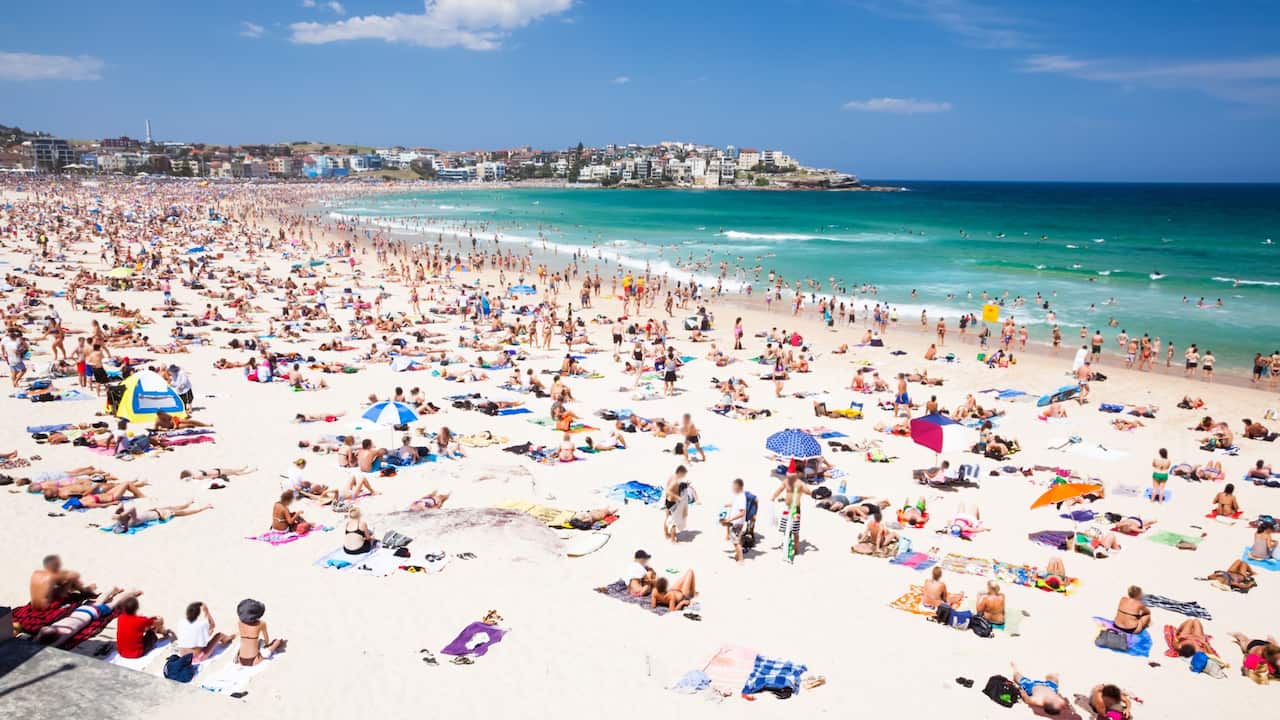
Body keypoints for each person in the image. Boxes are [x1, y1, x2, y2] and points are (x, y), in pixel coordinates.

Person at [33, 587, 141, 647]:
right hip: (80, 611)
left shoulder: (64, 634)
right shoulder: (55, 626)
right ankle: (112, 590)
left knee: (114, 603)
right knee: (99, 601)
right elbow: (41, 632)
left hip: (93, 614)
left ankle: (131, 592)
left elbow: (50, 642)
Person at [29, 554, 94, 611]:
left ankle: (80, 589)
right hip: (46, 607)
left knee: (58, 586)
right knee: (71, 579)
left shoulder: (36, 573)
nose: (59, 566)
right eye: (58, 564)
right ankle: (85, 591)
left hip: (34, 606)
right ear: (54, 565)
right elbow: (75, 575)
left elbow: (59, 582)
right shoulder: (53, 576)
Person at [234, 598, 285, 666]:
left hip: (240, 659)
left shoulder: (239, 623)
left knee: (249, 642)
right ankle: (279, 642)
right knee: (276, 642)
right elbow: (266, 640)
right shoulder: (261, 624)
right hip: (254, 660)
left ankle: (236, 657)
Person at [112, 501, 212, 533]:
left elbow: (120, 505)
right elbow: (132, 508)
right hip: (161, 515)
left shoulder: (124, 520)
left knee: (175, 507)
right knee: (182, 512)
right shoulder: (131, 523)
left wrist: (117, 512)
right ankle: (204, 508)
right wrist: (120, 515)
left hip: (153, 510)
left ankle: (188, 503)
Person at [720, 478, 748, 563]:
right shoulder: (739, 496)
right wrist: (727, 505)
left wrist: (730, 519)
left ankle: (740, 560)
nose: (732, 489)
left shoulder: (741, 497)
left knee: (736, 543)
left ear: (738, 487)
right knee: (737, 540)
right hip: (737, 523)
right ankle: (737, 556)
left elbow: (742, 512)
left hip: (737, 523)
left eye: (733, 487)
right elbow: (736, 504)